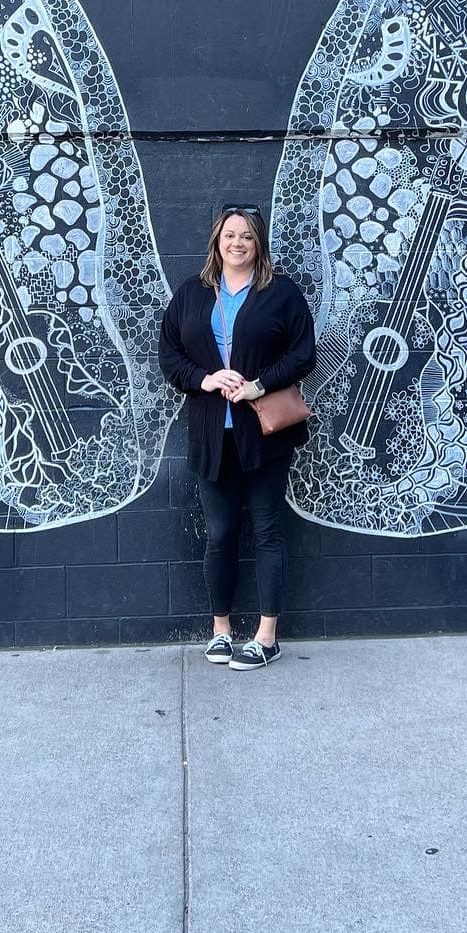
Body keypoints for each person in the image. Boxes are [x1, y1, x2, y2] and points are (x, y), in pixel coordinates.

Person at [158, 203, 317, 669]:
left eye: (247, 236)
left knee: (267, 532)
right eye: (230, 235)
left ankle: (266, 636)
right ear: (217, 241)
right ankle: (222, 629)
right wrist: (204, 379)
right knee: (220, 534)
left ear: (258, 244)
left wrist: (258, 385)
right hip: (212, 434)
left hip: (263, 433)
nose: (237, 243)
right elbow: (170, 352)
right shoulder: (192, 293)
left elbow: (304, 353)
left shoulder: (281, 293)